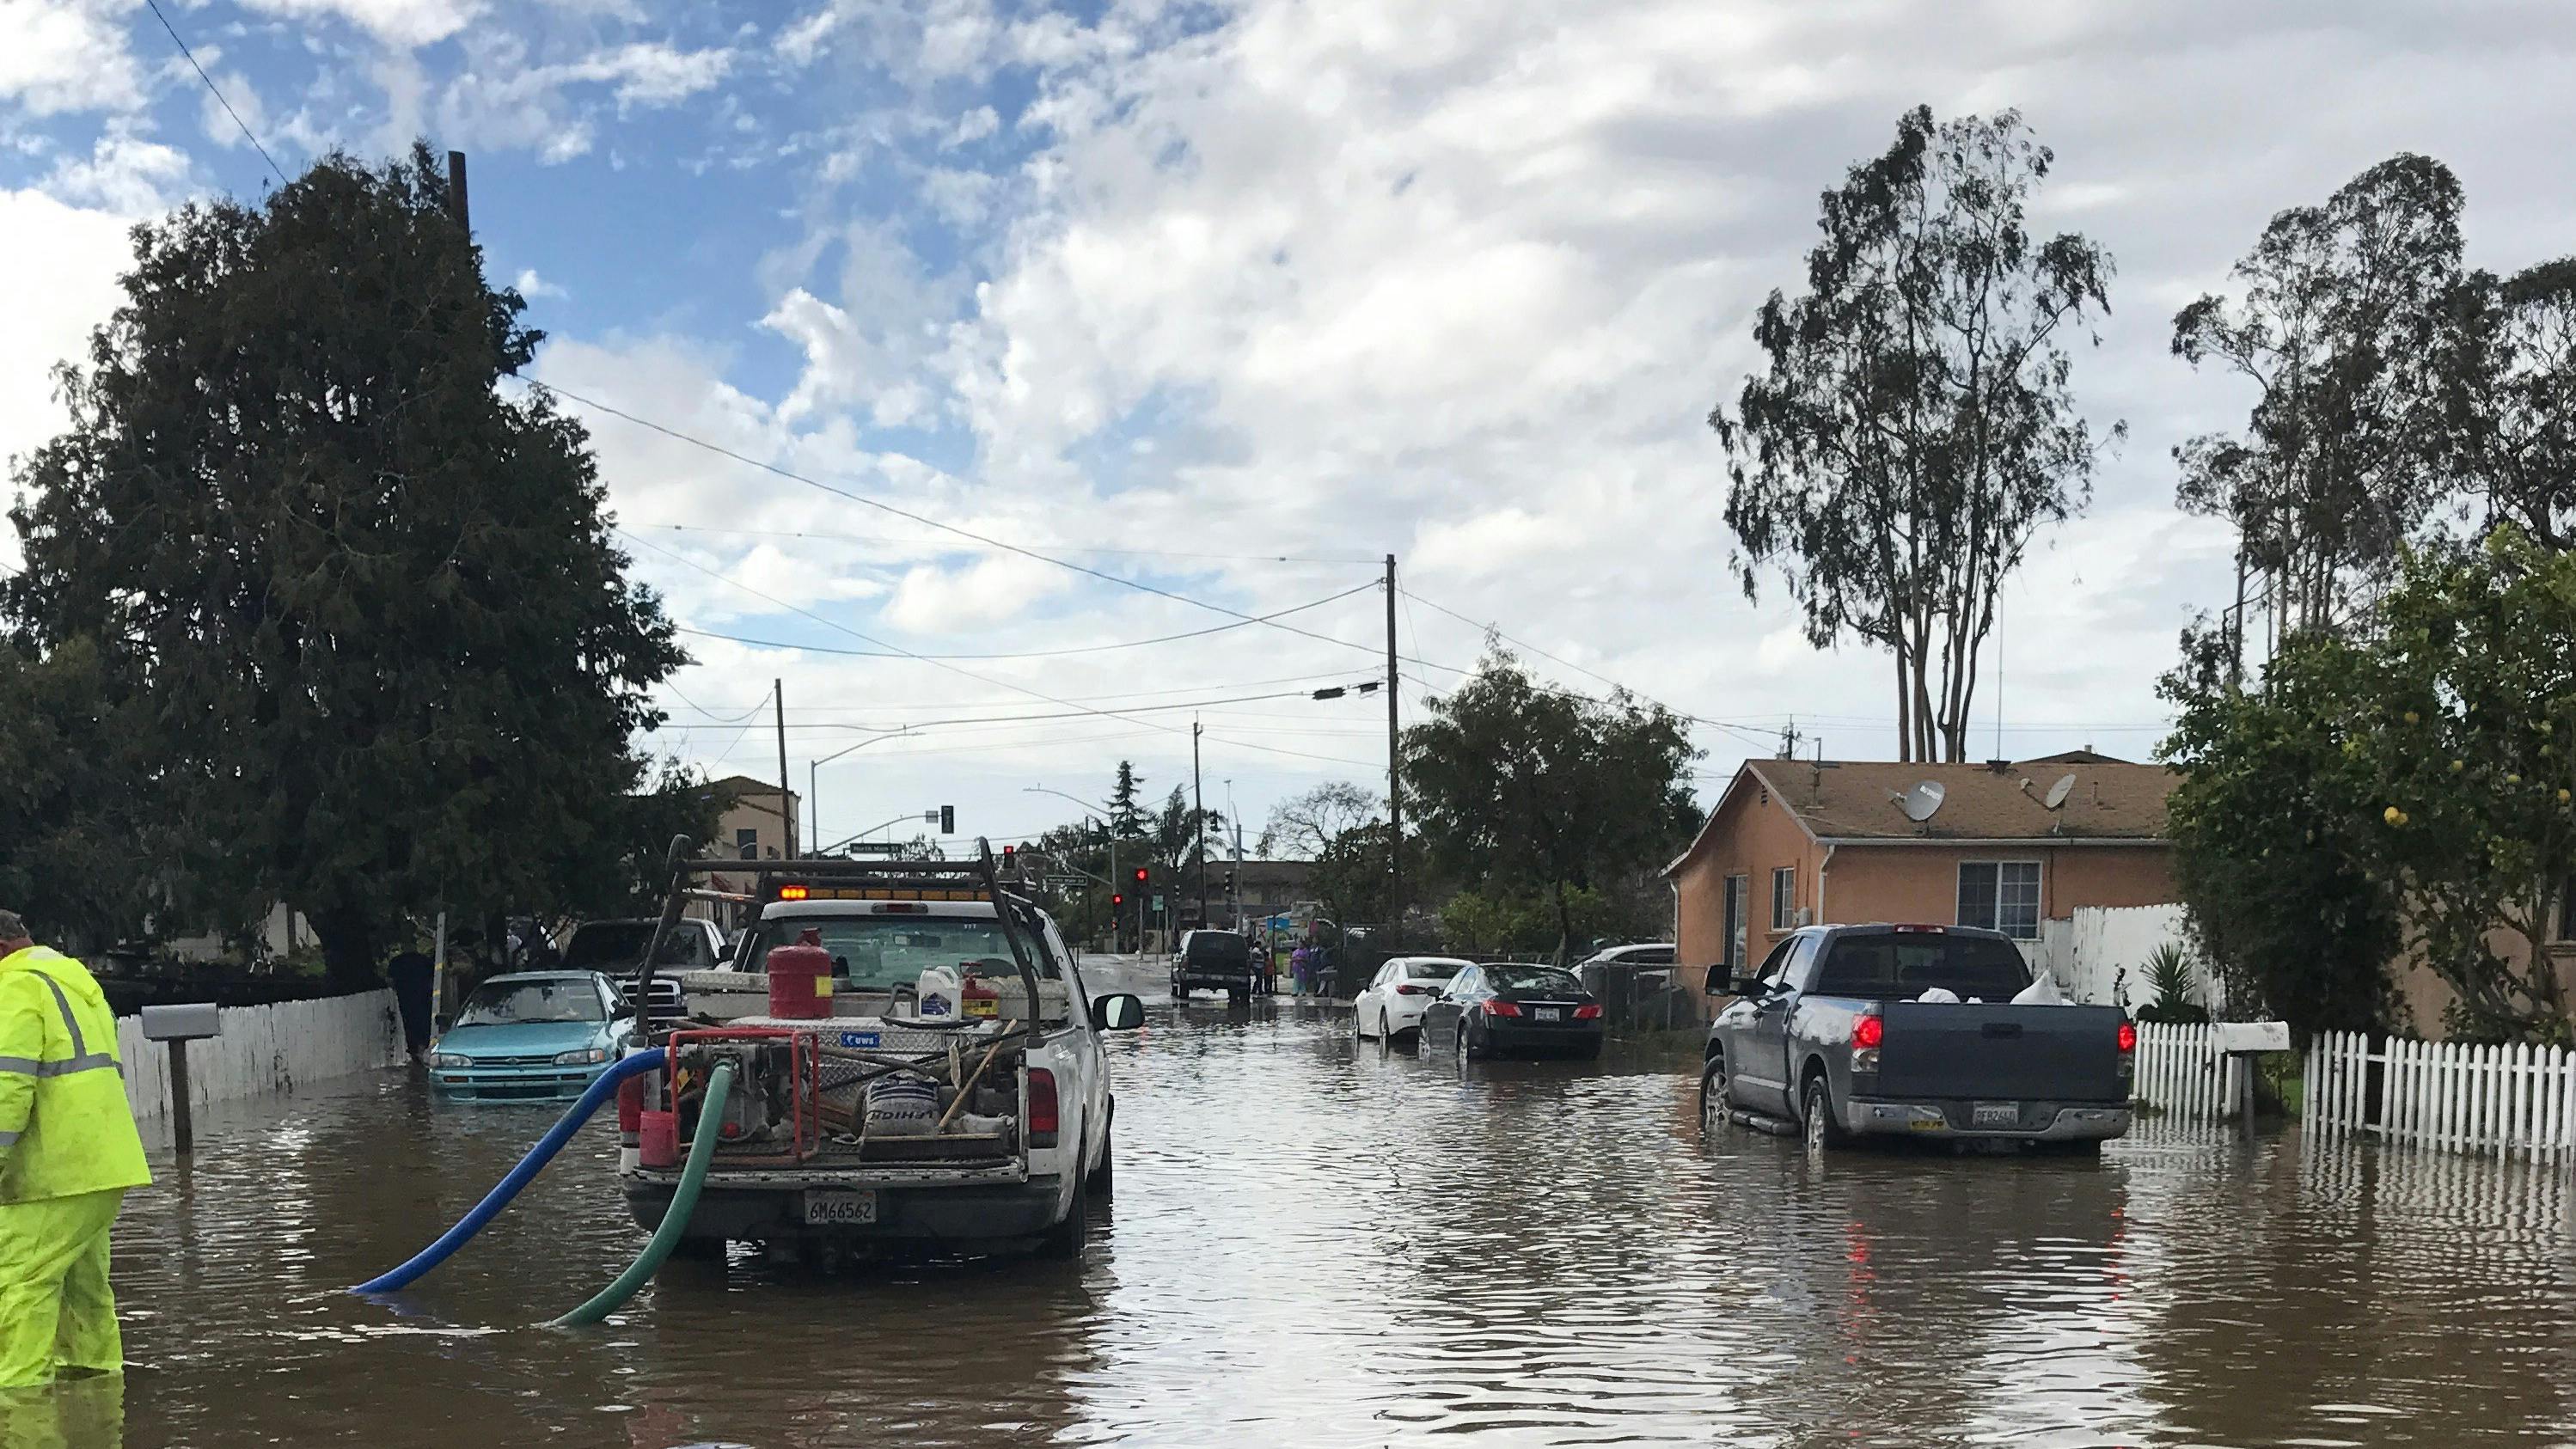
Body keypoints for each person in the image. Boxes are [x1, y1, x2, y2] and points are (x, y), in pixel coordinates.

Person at [0, 911, 150, 1389]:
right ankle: (97, 1397)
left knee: (19, 1282)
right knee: (82, 1290)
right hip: (101, 1166)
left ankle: (18, 1410)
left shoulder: (16, 988)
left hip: (53, 1172)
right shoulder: (77, 984)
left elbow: (7, 1087)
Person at [386, 947, 435, 1061]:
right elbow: (435, 977)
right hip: (423, 997)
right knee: (424, 1021)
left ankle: (415, 1051)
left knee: (410, 1023)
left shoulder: (396, 962)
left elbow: (390, 981)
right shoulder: (424, 960)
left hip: (406, 998)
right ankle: (422, 1048)